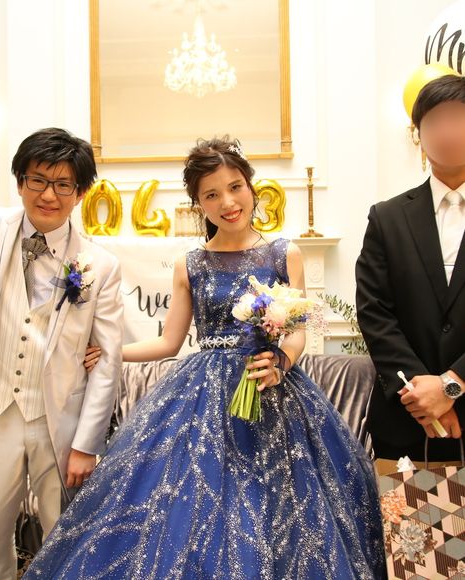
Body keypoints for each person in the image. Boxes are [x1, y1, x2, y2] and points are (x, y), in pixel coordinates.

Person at [26, 137, 385, 579]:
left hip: (272, 389)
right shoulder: (190, 264)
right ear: (199, 204)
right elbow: (168, 343)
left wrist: (281, 363)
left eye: (235, 187)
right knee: (192, 504)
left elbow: (298, 331)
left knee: (284, 507)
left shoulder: (283, 253)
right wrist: (111, 351)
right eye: (211, 195)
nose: (227, 203)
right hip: (204, 396)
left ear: (251, 186)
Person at [0, 128, 123, 579]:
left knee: (63, 531)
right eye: (38, 180)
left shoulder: (100, 265)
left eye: (63, 184)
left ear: (80, 193)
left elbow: (108, 361)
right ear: (20, 181)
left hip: (58, 418)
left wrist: (86, 444)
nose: (48, 195)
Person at [356, 75, 465, 461]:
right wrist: (421, 394)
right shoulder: (387, 218)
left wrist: (451, 386)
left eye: (458, 118)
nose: (447, 131)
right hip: (407, 418)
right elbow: (374, 313)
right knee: (412, 505)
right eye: (435, 121)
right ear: (418, 134)